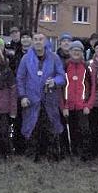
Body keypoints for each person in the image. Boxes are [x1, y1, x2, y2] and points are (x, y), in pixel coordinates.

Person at [16, 33, 65, 161]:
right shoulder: (26, 59)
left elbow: (62, 76)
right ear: (32, 42)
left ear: (45, 41)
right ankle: (32, 157)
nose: (38, 42)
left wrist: (55, 81)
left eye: (41, 39)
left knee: (51, 128)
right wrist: (22, 96)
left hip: (49, 99)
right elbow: (20, 79)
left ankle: (53, 157)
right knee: (32, 128)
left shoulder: (54, 58)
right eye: (36, 39)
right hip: (31, 100)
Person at [61, 40, 96, 160]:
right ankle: (73, 152)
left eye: (79, 50)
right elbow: (61, 88)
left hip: (82, 106)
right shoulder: (65, 66)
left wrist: (88, 105)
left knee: (84, 130)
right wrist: (64, 106)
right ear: (70, 52)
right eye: (74, 50)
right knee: (72, 130)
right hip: (68, 106)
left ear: (82, 52)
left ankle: (85, 154)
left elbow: (92, 87)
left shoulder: (87, 67)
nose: (76, 52)